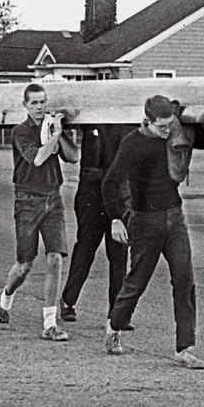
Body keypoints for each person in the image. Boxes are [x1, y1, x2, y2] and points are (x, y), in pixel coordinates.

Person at [101, 96, 204, 368]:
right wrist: (115, 219)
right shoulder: (132, 143)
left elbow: (202, 140)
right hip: (145, 221)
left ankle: (185, 348)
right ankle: (114, 325)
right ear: (147, 121)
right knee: (137, 282)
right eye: (161, 127)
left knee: (184, 280)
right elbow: (109, 183)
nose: (167, 131)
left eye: (170, 124)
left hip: (175, 217)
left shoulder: (173, 133)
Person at [0, 82, 79, 340]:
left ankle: (50, 323)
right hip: (27, 200)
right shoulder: (20, 132)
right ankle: (6, 296)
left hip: (52, 197)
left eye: (43, 102)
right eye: (34, 102)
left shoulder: (52, 127)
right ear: (25, 105)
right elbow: (37, 158)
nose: (39, 107)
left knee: (55, 258)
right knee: (24, 265)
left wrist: (60, 134)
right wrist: (54, 136)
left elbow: (73, 156)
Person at [59, 124, 135, 323]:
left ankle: (117, 311)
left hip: (120, 190)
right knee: (86, 246)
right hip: (92, 190)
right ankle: (68, 300)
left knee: (118, 253)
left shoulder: (131, 121)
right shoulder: (92, 120)